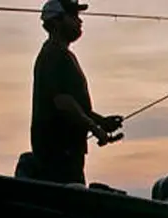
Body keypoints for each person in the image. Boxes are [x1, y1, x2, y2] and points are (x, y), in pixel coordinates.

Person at [22, 0, 123, 185]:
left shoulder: (62, 55)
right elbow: (62, 101)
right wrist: (94, 127)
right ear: (57, 21)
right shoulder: (53, 55)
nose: (80, 21)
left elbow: (74, 104)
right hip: (58, 153)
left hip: (67, 152)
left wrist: (102, 122)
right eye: (74, 16)